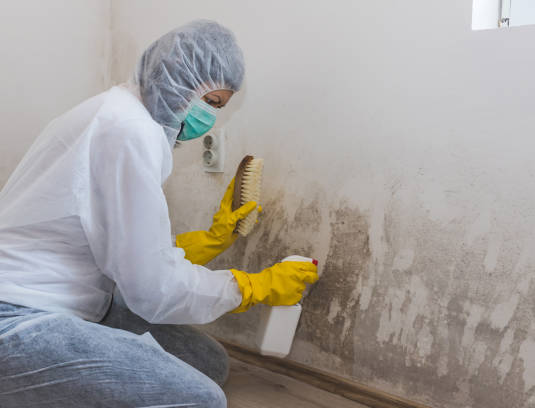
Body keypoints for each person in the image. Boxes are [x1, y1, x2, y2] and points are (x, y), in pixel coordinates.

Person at [0, 20, 318, 407]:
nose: (209, 121)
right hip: (18, 316)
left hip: (74, 299)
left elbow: (124, 248)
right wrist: (250, 287)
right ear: (177, 77)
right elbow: (151, 291)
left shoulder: (119, 111)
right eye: (212, 103)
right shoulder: (128, 130)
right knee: (202, 399)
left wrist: (209, 241)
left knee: (206, 362)